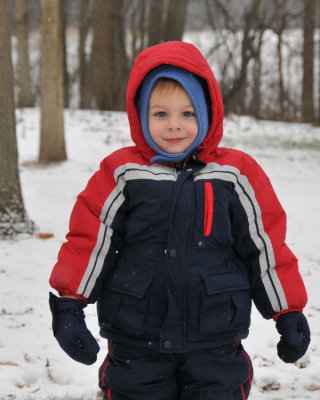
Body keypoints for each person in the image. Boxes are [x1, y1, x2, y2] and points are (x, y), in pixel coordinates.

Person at [49, 41, 310, 400]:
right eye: (160, 114)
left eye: (187, 114)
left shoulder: (234, 174)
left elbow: (265, 246)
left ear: (207, 114)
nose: (174, 125)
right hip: (136, 337)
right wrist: (69, 305)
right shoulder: (122, 173)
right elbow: (90, 240)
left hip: (216, 337)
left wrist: (287, 311)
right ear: (141, 115)